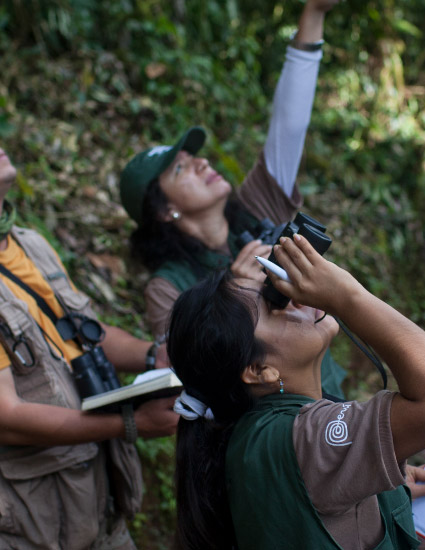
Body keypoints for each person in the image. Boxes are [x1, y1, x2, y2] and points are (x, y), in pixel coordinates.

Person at [0, 102, 179, 549]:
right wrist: (131, 423)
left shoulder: (27, 243)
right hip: (20, 527)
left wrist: (152, 356)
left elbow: (82, 332)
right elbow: (5, 419)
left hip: (93, 513)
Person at [166, 235, 425, 549]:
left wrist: (377, 489)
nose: (298, 300)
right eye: (274, 305)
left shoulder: (263, 434)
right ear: (260, 371)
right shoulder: (303, 438)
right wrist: (347, 297)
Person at [117, 0, 350, 398]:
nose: (201, 163)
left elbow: (289, 128)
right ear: (163, 210)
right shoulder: (167, 287)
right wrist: (237, 291)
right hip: (269, 429)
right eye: (180, 168)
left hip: (331, 400)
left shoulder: (256, 210)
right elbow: (192, 374)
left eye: (195, 157)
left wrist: (313, 13)